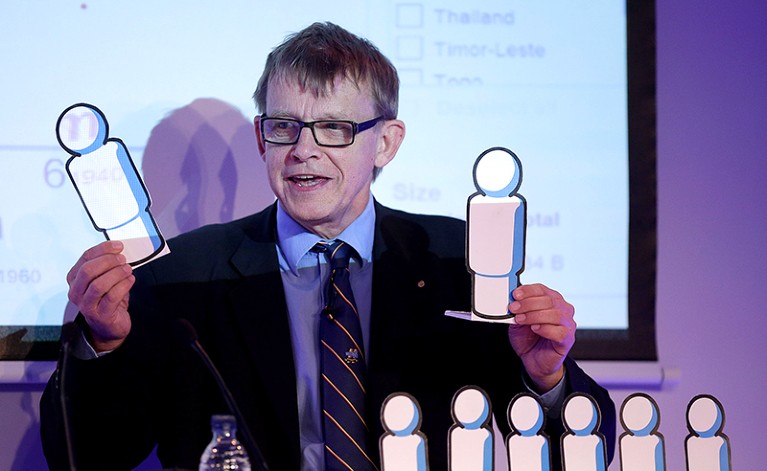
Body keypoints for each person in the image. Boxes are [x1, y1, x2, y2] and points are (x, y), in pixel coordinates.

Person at [40, 22, 616, 471]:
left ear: (386, 144)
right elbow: (92, 455)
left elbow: (582, 449)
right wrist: (103, 345)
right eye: (284, 126)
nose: (303, 151)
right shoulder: (185, 274)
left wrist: (545, 380)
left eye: (334, 128)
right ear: (262, 138)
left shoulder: (455, 260)